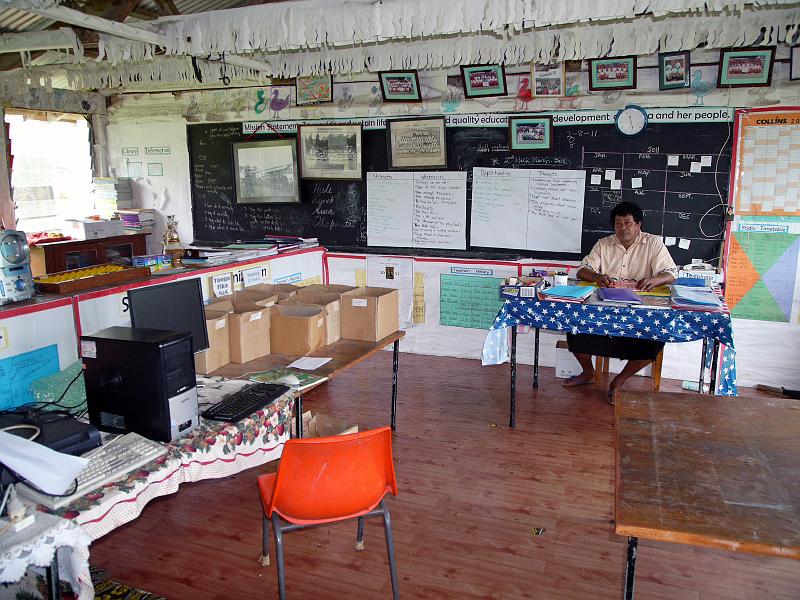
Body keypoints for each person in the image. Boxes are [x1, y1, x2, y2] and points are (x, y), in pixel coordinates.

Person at [562, 201, 677, 402]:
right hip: (604, 309)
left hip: (639, 311)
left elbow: (671, 273)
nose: (622, 228)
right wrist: (597, 277)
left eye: (627, 222)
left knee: (653, 342)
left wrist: (654, 279)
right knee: (575, 331)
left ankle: (619, 381)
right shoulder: (603, 244)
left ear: (638, 225)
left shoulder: (653, 243)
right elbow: (582, 270)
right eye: (618, 223)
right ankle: (588, 373)